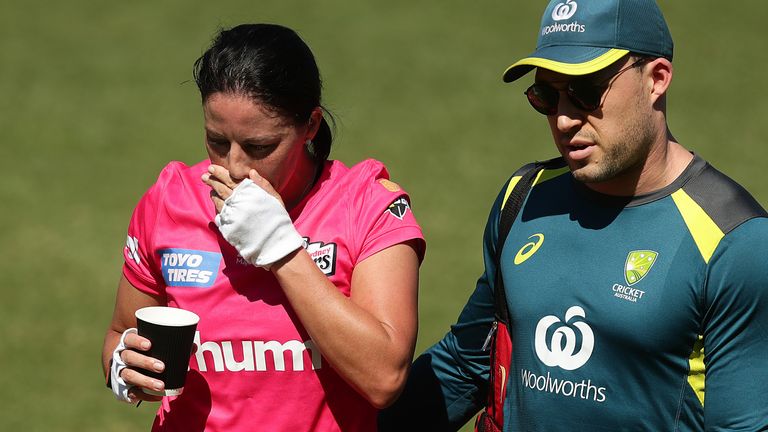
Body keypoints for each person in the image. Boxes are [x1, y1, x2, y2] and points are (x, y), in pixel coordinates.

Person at [379, 0, 768, 430]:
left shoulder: (735, 241)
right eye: (546, 95)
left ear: (657, 78)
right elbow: (468, 364)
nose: (563, 118)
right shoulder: (524, 198)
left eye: (585, 90)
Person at [101, 23, 425, 431]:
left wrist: (281, 249)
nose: (234, 166)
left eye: (259, 147)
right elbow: (119, 333)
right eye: (217, 141)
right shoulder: (170, 200)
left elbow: (385, 378)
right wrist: (123, 367)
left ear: (310, 125)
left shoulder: (368, 205)